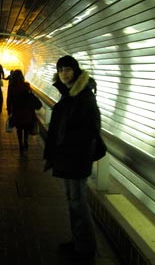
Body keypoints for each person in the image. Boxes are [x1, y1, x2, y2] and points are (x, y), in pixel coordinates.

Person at [43, 55, 102, 261]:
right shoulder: (68, 94)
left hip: (77, 157)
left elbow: (91, 127)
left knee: (78, 202)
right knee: (72, 201)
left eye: (67, 69)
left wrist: (70, 144)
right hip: (67, 156)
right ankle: (78, 241)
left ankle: (85, 249)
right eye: (61, 70)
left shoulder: (84, 96)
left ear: (75, 71)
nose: (64, 73)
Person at [6, 70, 36, 156]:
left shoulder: (11, 86)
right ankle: (26, 141)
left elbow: (9, 99)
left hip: (17, 110)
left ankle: (20, 144)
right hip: (26, 110)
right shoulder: (26, 85)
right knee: (26, 127)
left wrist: (9, 110)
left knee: (19, 128)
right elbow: (30, 97)